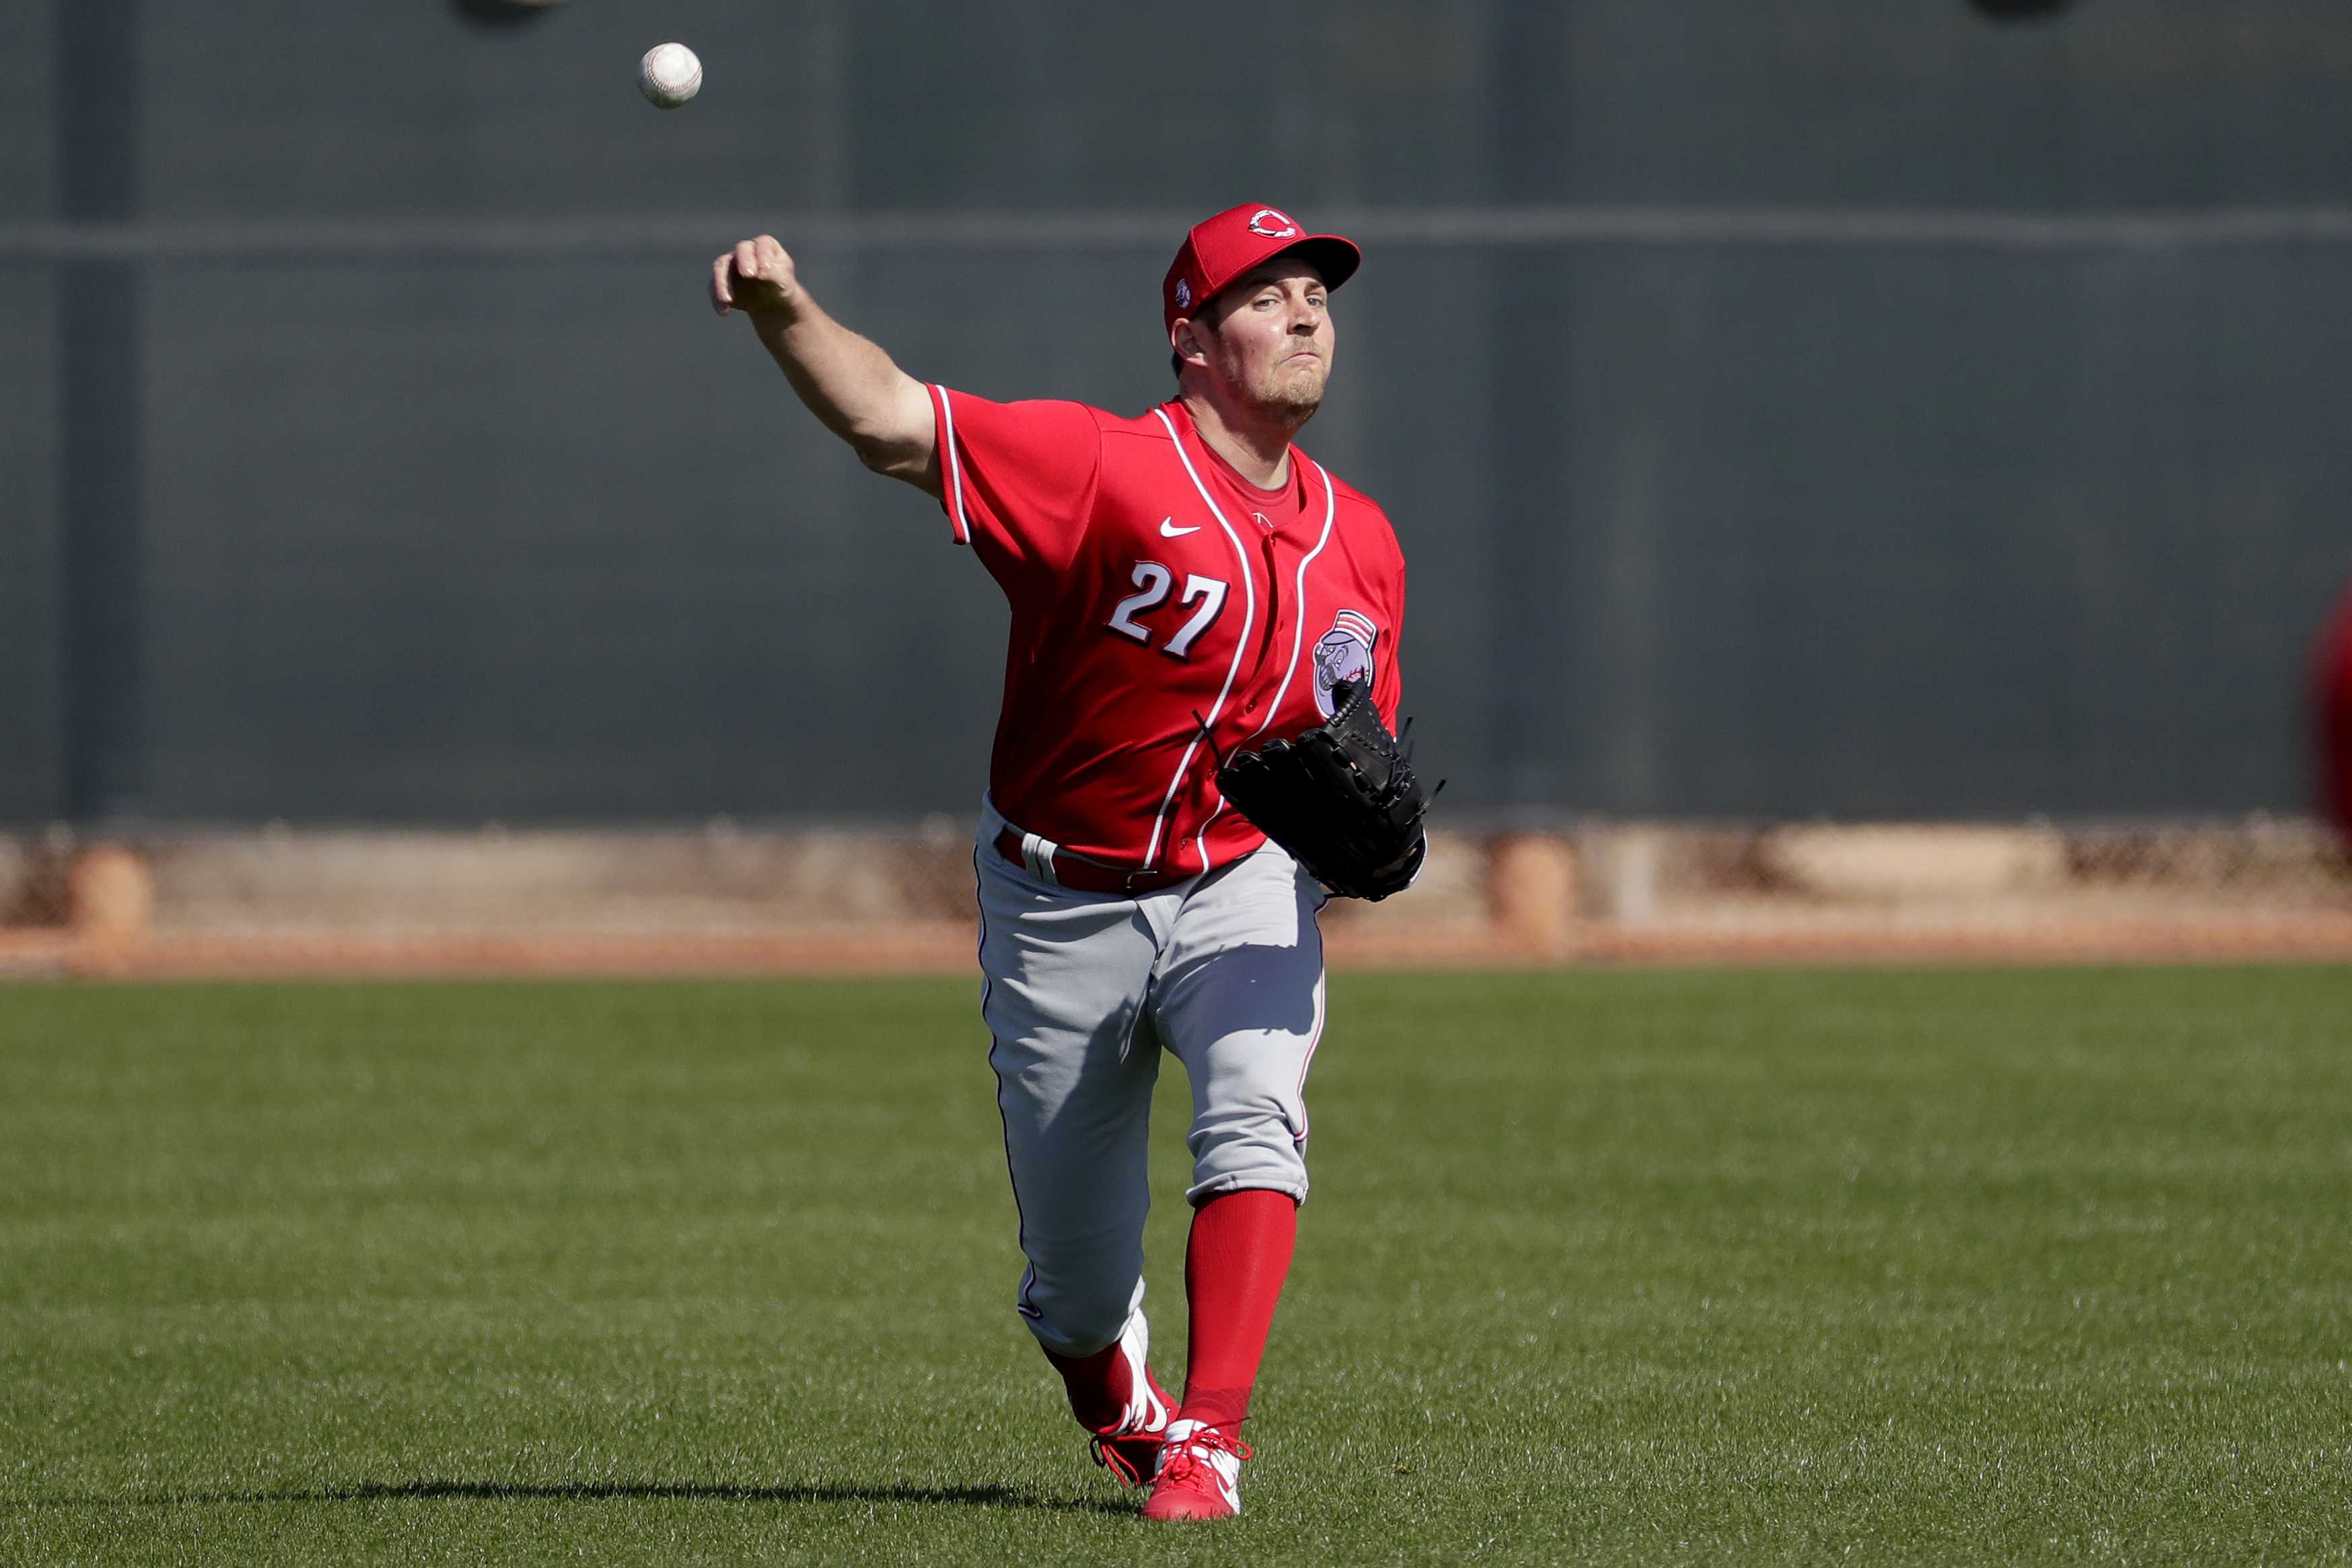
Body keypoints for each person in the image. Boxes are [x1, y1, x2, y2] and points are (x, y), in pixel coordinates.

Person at [711, 203, 1411, 1521]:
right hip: (1057, 899)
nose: (1307, 311)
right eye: (1266, 297)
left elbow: (1355, 741)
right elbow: (890, 422)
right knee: (1079, 1293)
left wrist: (1358, 844)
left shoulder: (1361, 543)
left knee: (1256, 1111)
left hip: (1238, 878)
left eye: (1317, 289)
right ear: (1189, 339)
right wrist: (782, 311)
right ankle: (1118, 1406)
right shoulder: (1099, 468)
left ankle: (1210, 1442)